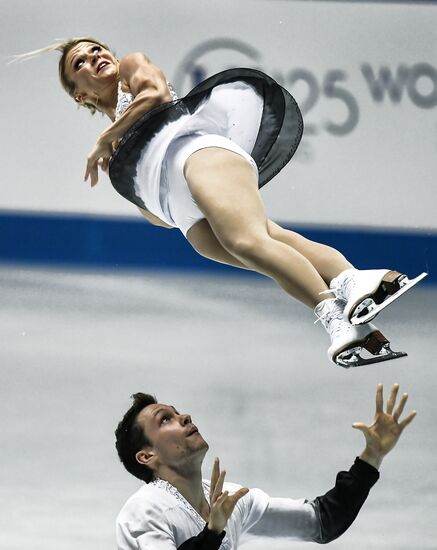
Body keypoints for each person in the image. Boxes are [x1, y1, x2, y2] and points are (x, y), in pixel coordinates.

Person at [17, 37, 426, 366]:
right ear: (80, 96)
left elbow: (157, 95)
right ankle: (348, 304)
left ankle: (342, 295)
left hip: (200, 156)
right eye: (80, 64)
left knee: (248, 241)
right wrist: (124, 172)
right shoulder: (115, 147)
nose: (95, 58)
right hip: (182, 208)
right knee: (266, 246)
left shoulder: (130, 68)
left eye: (96, 50)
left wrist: (106, 139)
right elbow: (156, 217)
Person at [114, 383, 416, 549]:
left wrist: (371, 457)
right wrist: (213, 532)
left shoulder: (232, 501)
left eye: (177, 412)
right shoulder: (145, 510)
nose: (185, 417)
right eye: (164, 419)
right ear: (147, 456)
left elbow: (324, 521)